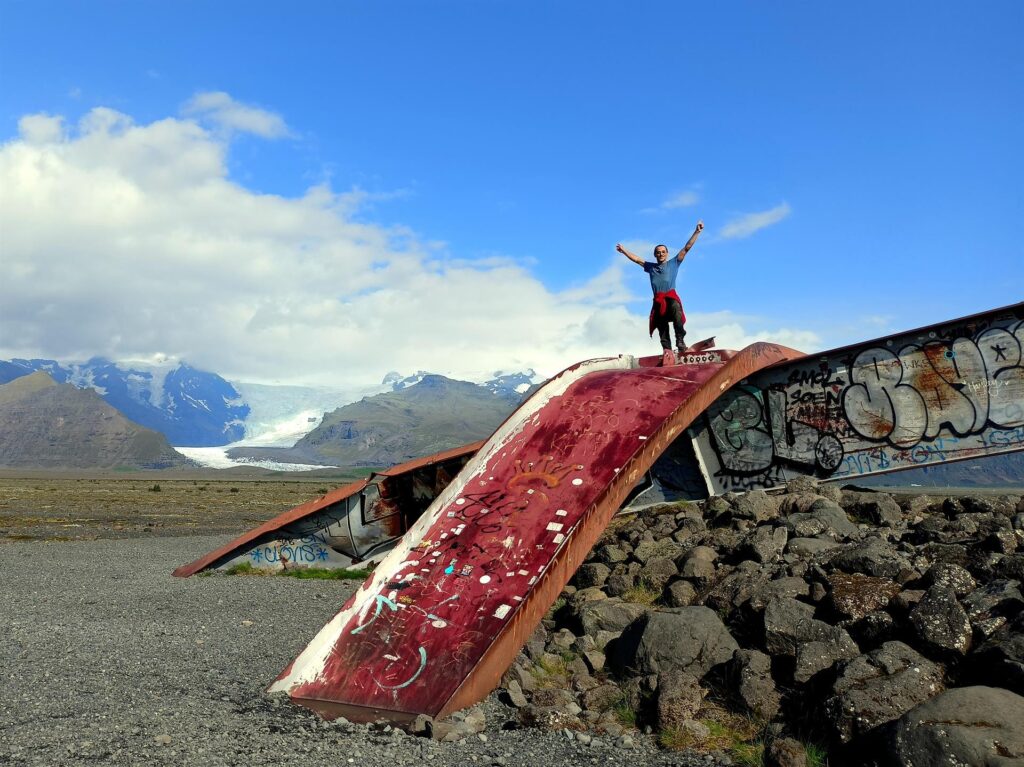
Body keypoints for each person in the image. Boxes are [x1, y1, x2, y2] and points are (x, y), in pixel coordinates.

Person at [617, 220, 704, 360]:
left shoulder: (674, 263)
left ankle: (680, 340)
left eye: (663, 252)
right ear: (655, 255)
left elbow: (687, 248)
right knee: (661, 324)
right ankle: (667, 350)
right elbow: (637, 259)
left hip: (670, 298)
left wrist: (697, 232)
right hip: (658, 301)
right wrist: (624, 251)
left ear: (667, 253)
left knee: (675, 306)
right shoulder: (651, 267)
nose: (661, 254)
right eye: (658, 253)